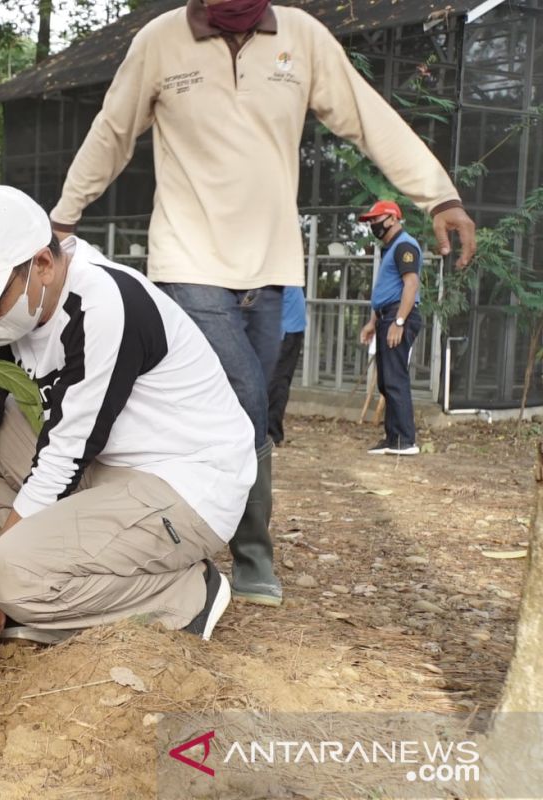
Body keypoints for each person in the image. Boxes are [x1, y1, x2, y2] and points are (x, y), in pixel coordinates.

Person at [48, 0, 477, 606]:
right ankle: (251, 552)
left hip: (274, 270)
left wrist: (439, 198)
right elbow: (111, 132)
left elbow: (368, 117)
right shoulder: (160, 41)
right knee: (247, 401)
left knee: (245, 407)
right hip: (188, 262)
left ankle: (192, 539)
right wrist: (63, 217)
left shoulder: (300, 37)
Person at [0, 185, 256, 652]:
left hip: (184, 486)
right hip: (104, 469)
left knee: (8, 574)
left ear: (43, 266)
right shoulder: (9, 316)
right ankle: (35, 590)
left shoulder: (104, 306)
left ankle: (183, 596)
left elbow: (62, 461)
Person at [359, 200, 422, 456]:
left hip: (398, 316)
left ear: (393, 218)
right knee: (387, 380)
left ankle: (406, 440)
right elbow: (388, 290)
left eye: (376, 219)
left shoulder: (404, 245)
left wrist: (398, 321)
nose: (372, 225)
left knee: (395, 378)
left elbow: (411, 284)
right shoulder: (391, 248)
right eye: (370, 221)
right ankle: (393, 438)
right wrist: (374, 322)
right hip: (387, 316)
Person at [267, 286, 305, 446]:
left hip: (285, 331)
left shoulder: (273, 271)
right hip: (290, 328)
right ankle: (271, 432)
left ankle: (271, 433)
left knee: (276, 382)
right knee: (279, 381)